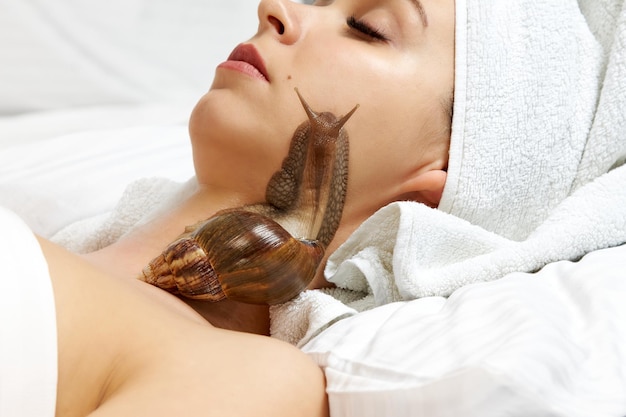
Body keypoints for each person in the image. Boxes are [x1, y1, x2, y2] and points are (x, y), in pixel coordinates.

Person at [3, 0, 456, 415]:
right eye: (316, 0)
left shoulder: (254, 377)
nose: (273, 8)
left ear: (424, 197)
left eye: (367, 28)